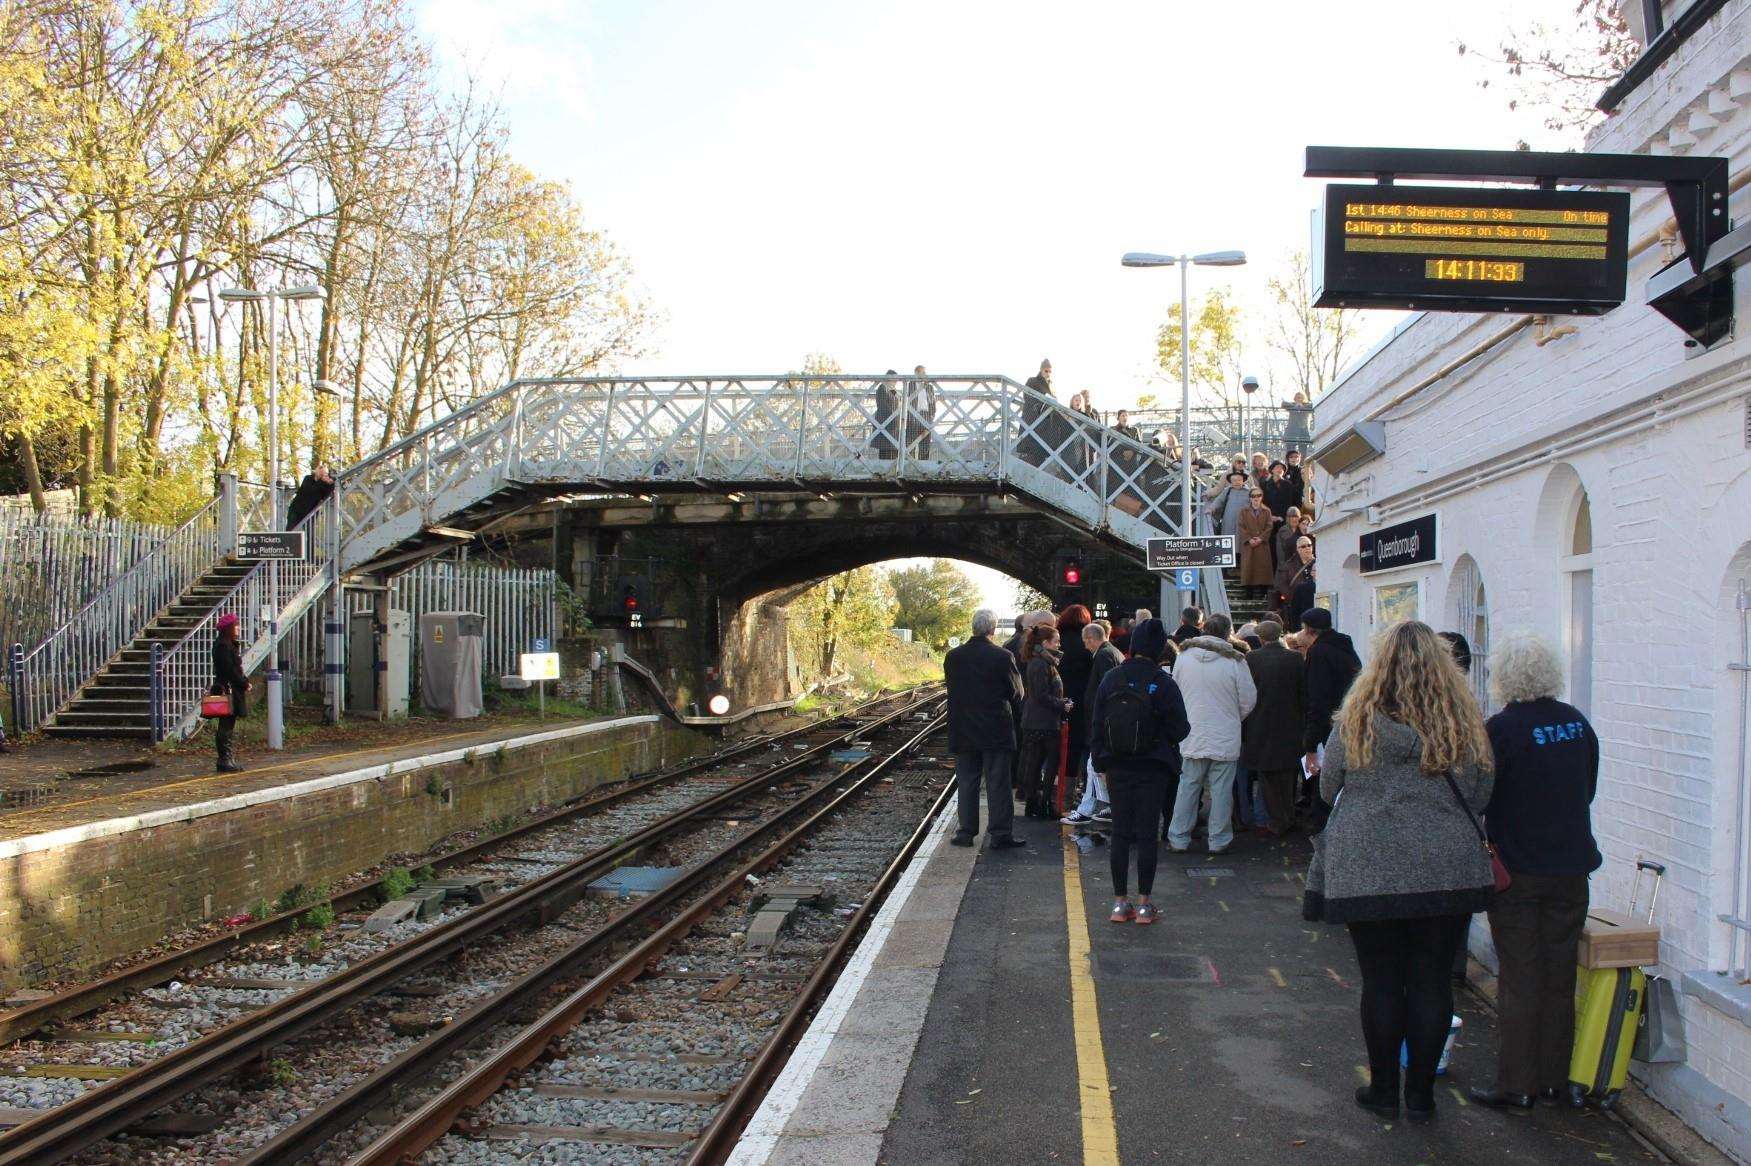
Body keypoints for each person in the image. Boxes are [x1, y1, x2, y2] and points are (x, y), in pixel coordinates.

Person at [1302, 620, 1495, 1124]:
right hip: (1446, 864)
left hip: (1367, 862)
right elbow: (1479, 795)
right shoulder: (1462, 719)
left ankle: (1384, 1089)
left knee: (1382, 979)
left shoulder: (1357, 719)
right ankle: (1422, 1095)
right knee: (1432, 980)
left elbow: (1328, 789)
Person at [1471, 632, 1601, 1111]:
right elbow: (1587, 788)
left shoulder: (1500, 730)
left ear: (1504, 676)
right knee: (1559, 975)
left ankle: (1516, 1083)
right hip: (1571, 867)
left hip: (1519, 870)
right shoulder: (1575, 724)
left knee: (1520, 976)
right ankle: (1554, 1078)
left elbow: (1481, 795)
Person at [1091, 618, 1190, 924]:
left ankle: (1120, 903)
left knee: (1120, 833)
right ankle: (1145, 905)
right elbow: (1181, 728)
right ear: (1160, 649)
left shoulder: (1111, 678)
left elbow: (1096, 723)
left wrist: (1100, 763)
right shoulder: (1164, 683)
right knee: (1148, 834)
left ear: (1132, 645)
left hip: (1118, 765)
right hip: (1154, 767)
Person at [1166, 612, 1257, 855]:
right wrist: (1232, 717)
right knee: (1221, 790)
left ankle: (1178, 837)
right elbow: (1248, 699)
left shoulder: (1184, 657)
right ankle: (1218, 840)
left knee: (1187, 787)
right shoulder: (1235, 661)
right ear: (1228, 632)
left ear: (1204, 629)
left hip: (1192, 732)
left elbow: (1175, 692)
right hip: (1225, 734)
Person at [942, 609, 1028, 849]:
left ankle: (965, 833)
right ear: (992, 629)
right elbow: (1017, 692)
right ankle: (1000, 834)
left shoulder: (953, 656)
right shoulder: (1002, 656)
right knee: (998, 782)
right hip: (996, 730)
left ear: (973, 628)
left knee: (967, 781)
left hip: (963, 728)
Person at [1242, 620, 1307, 836]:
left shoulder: (1252, 658)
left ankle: (1277, 819)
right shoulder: (1296, 658)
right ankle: (1288, 816)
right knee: (1289, 774)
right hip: (1291, 723)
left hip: (1260, 723)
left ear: (1260, 638)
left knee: (1267, 776)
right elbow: (1302, 692)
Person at [1064, 620, 1126, 826]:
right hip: (1110, 721)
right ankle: (1107, 806)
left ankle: (1087, 810)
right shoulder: (1113, 653)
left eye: (1085, 641)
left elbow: (1106, 690)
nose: (1084, 646)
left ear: (1091, 638)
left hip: (1102, 722)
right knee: (1097, 767)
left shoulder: (1102, 656)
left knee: (1094, 766)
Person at [1018, 624, 1073, 818]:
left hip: (1039, 721)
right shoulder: (1041, 664)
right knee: (1047, 765)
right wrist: (1061, 705)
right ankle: (1044, 805)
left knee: (1036, 764)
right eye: (1056, 641)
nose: (1059, 644)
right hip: (1044, 722)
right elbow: (1040, 695)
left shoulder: (1043, 661)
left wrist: (1060, 703)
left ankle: (1035, 803)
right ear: (1045, 643)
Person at [1301, 606, 1360, 780]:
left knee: (1324, 781)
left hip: (1328, 726)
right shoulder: (1345, 647)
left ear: (1308, 629)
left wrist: (1310, 744)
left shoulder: (1318, 652)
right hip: (1349, 718)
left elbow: (1317, 697)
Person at [1056, 605, 1095, 786]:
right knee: (1078, 746)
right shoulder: (1087, 645)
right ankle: (1076, 785)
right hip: (1081, 701)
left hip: (1058, 700)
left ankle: (1057, 787)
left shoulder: (1057, 641)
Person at [211, 612, 251, 773]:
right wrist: (243, 683)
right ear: (229, 628)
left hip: (231, 688)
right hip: (227, 690)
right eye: (236, 625)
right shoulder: (222, 646)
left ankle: (227, 758)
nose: (238, 628)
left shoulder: (227, 644)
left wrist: (244, 681)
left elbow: (235, 669)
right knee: (226, 725)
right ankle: (224, 759)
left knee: (228, 724)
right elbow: (229, 670)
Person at [1238, 487, 1275, 599]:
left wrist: (1261, 538)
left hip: (1262, 544)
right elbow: (1241, 526)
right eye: (1253, 496)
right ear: (1250, 498)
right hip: (1248, 544)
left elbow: (1269, 526)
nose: (1256, 498)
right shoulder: (1243, 511)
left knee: (1262, 568)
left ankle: (1262, 593)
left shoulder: (1267, 510)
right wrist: (1249, 539)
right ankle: (1248, 593)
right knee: (1248, 567)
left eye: (1258, 495)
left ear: (1261, 497)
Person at [1273, 537, 1317, 630]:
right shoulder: (1289, 565)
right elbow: (1281, 584)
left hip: (1314, 603)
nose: (1307, 548)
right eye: (1303, 546)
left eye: (1309, 545)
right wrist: (1294, 599)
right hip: (1296, 607)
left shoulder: (1318, 562)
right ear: (1298, 549)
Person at [1020, 358, 1054, 466]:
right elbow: (1027, 396)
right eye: (1046, 371)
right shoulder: (1032, 381)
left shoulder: (1051, 386)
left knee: (1040, 456)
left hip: (1045, 425)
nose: (1048, 373)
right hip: (1033, 420)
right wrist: (1041, 405)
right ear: (1041, 370)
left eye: (1050, 371)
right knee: (1030, 455)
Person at [285, 463, 335, 529]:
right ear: (317, 472)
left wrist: (331, 484)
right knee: (290, 530)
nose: (323, 475)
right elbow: (309, 490)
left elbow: (326, 496)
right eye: (322, 473)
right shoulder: (308, 478)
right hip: (296, 509)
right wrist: (321, 481)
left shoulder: (324, 484)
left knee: (310, 533)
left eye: (325, 473)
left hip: (311, 512)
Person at [1206, 470, 1250, 542]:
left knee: (1242, 539)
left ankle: (1240, 553)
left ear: (1243, 481)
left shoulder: (1249, 492)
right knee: (1228, 539)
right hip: (1228, 520)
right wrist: (1211, 508)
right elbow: (1219, 500)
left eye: (1239, 480)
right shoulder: (1227, 491)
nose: (1237, 482)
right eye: (1234, 480)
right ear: (1231, 482)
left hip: (1244, 520)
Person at [906, 364, 936, 460]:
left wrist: (932, 416)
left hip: (926, 415)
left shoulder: (930, 387)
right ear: (916, 373)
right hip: (913, 416)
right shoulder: (910, 385)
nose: (925, 374)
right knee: (910, 443)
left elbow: (933, 402)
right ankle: (909, 465)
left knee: (925, 444)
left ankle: (923, 466)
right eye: (923, 372)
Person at [872, 370, 899, 460]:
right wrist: (893, 417)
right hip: (885, 423)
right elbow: (882, 405)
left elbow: (898, 401)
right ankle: (884, 471)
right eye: (895, 379)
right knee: (885, 452)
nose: (896, 381)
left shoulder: (892, 390)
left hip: (892, 425)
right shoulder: (882, 388)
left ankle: (891, 471)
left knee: (892, 450)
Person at [1284, 391, 1314, 457]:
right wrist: (1295, 406)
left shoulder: (1307, 405)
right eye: (1297, 398)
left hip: (1303, 430)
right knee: (1290, 450)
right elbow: (1283, 404)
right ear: (1294, 399)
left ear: (1303, 399)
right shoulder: (1292, 405)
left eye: (1301, 398)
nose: (1299, 399)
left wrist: (1302, 407)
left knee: (1303, 451)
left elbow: (1312, 405)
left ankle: (1302, 465)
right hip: (1292, 430)